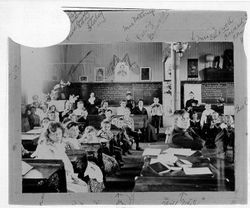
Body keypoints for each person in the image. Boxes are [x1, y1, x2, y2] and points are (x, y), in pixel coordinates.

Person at [31, 122, 88, 193]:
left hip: (64, 176)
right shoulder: (45, 146)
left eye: (59, 133)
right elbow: (54, 167)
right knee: (81, 190)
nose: (57, 136)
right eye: (54, 134)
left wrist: (73, 176)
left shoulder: (57, 144)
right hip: (54, 180)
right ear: (47, 134)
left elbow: (66, 162)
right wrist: (72, 178)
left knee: (84, 186)